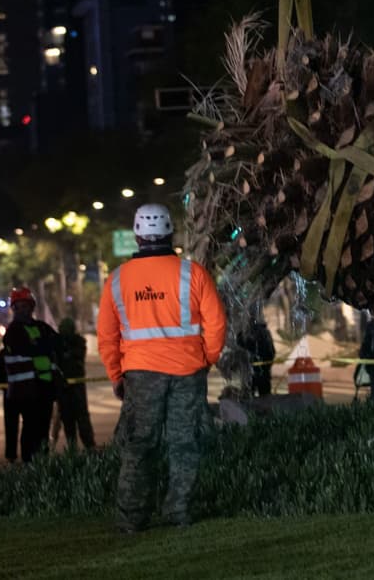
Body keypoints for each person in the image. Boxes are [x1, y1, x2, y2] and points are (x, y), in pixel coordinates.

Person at [97, 203, 227, 533]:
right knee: (185, 444)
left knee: (139, 445)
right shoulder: (192, 273)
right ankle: (178, 511)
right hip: (187, 372)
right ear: (171, 232)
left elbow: (107, 336)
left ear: (137, 236)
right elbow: (217, 324)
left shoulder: (117, 280)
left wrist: (116, 374)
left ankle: (131, 519)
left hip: (140, 376)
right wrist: (206, 360)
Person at [0, 287, 60, 463]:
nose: (25, 309)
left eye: (28, 305)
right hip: (25, 392)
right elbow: (29, 348)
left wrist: (40, 346)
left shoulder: (42, 327)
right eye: (21, 306)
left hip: (44, 388)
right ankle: (30, 465)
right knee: (30, 430)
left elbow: (57, 343)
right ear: (14, 308)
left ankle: (42, 464)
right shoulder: (13, 332)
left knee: (43, 430)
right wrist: (43, 346)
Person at [54, 318, 96, 450]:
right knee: (68, 419)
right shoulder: (59, 343)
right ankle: (74, 447)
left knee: (81, 418)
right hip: (64, 386)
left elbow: (76, 356)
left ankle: (89, 446)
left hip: (76, 386)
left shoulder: (78, 342)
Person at [236, 308, 275, 397]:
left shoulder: (244, 335)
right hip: (264, 369)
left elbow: (240, 346)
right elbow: (272, 352)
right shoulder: (266, 332)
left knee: (248, 396)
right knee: (265, 395)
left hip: (252, 370)